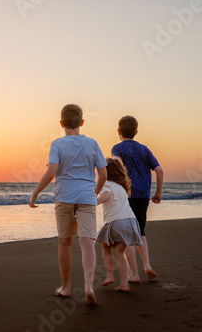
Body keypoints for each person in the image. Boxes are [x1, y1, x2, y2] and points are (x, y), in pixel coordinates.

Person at [29, 104, 107, 305]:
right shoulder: (92, 143)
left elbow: (51, 173)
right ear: (81, 123)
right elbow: (103, 174)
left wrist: (35, 193)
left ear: (61, 123)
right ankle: (89, 286)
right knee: (87, 242)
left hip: (64, 197)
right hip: (86, 198)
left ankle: (65, 287)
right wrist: (95, 192)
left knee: (65, 242)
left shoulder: (57, 144)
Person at [111, 115, 163, 282]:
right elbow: (159, 170)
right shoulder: (144, 149)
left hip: (126, 194)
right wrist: (158, 193)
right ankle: (147, 265)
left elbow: (117, 171)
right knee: (140, 229)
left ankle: (134, 274)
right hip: (143, 194)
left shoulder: (117, 149)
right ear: (136, 131)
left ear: (119, 131)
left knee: (126, 232)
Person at [96, 157, 143, 292]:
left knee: (105, 246)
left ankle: (110, 275)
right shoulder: (122, 187)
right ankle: (124, 284)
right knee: (119, 252)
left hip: (116, 221)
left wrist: (94, 202)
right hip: (131, 222)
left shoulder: (106, 184)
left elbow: (106, 196)